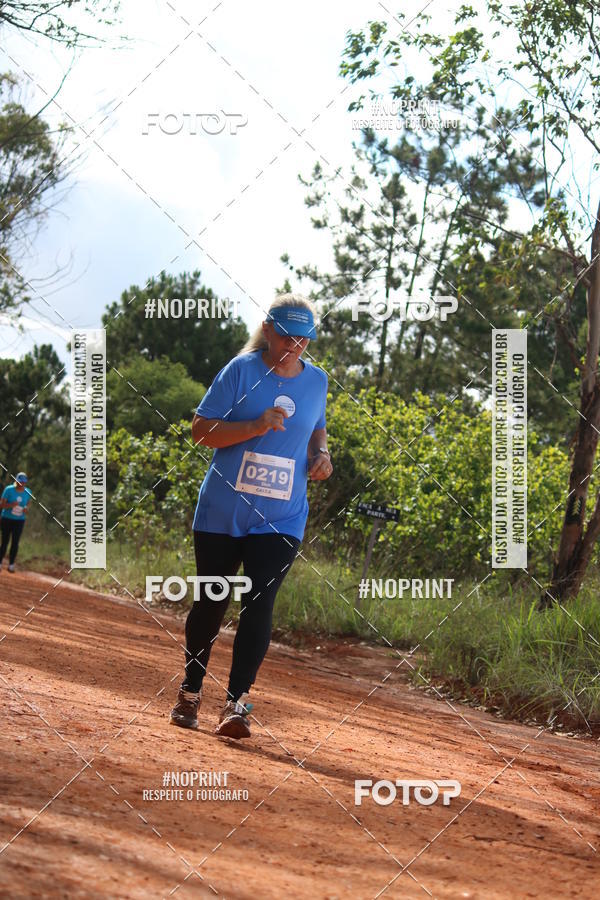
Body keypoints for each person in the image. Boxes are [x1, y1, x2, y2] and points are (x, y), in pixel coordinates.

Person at [170, 294, 333, 738]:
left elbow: (317, 429)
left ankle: (236, 704)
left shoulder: (317, 381)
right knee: (211, 602)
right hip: (223, 511)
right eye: (287, 337)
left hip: (281, 516)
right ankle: (190, 691)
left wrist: (322, 455)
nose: (294, 346)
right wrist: (255, 426)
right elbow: (201, 431)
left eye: (303, 340)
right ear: (267, 330)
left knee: (259, 603)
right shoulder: (239, 371)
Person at [0, 472, 31, 573]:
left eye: (23, 482)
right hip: (7, 519)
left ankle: (11, 564)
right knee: (4, 541)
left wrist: (26, 509)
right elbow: (2, 505)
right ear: (16, 481)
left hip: (19, 521)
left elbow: (28, 504)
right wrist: (11, 505)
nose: (21, 484)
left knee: (15, 542)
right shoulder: (8, 489)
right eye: (20, 482)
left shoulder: (28, 491)